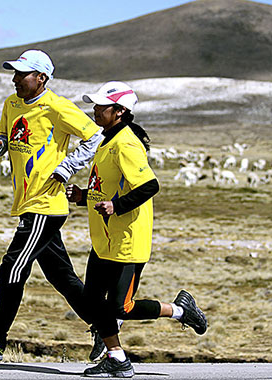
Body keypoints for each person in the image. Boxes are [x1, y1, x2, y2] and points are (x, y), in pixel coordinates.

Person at [0, 49, 104, 361]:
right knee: (62, 277)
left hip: (46, 204)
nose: (14, 80)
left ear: (42, 78)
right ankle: (105, 329)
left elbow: (95, 136)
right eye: (14, 73)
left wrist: (67, 167)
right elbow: (5, 134)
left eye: (21, 74)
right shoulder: (11, 104)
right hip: (26, 202)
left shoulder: (57, 106)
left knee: (12, 267)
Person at [66, 81, 208, 377]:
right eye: (95, 105)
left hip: (127, 242)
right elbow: (107, 188)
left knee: (122, 308)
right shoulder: (106, 141)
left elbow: (149, 186)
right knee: (93, 302)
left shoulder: (126, 143)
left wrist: (117, 207)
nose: (95, 110)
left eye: (101, 106)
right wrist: (84, 197)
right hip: (104, 241)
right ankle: (116, 358)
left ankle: (182, 310)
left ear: (119, 111)